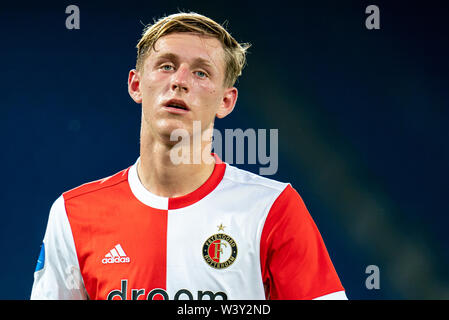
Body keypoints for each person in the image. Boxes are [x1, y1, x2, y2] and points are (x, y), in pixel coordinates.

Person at [30, 12, 347, 300]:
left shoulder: (273, 209)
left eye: (201, 73)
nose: (179, 81)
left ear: (226, 101)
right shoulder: (73, 214)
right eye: (166, 65)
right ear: (136, 84)